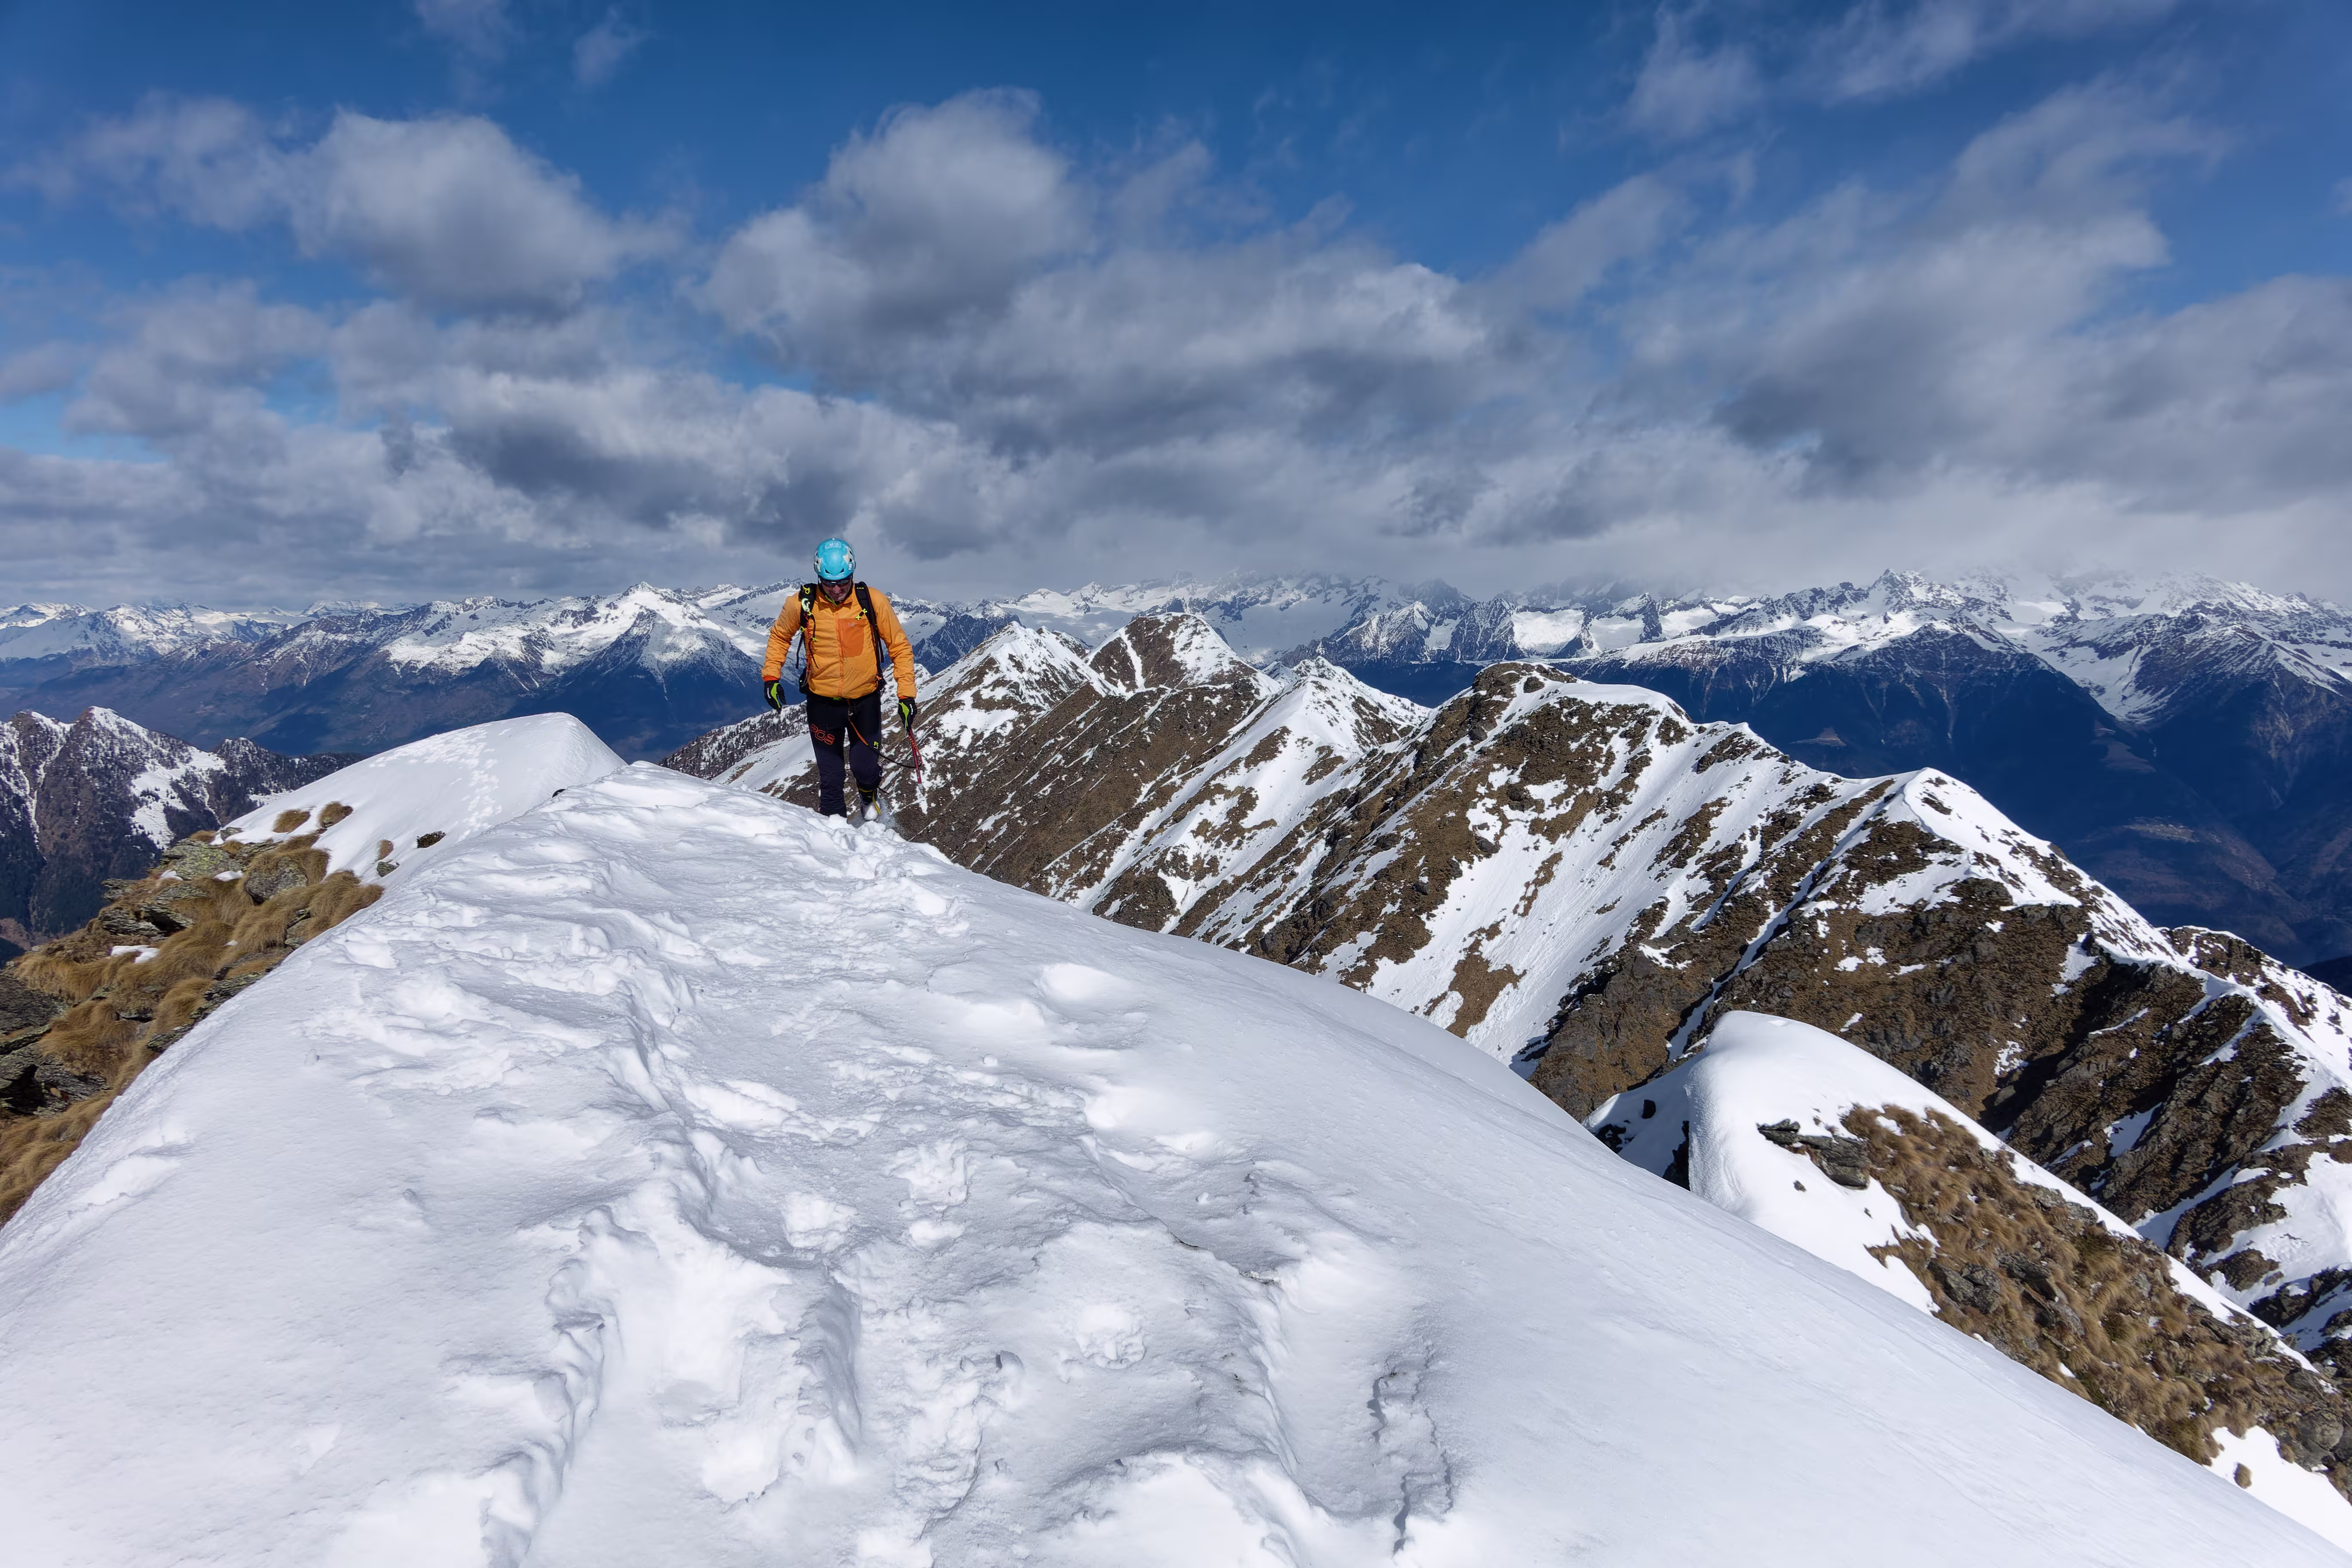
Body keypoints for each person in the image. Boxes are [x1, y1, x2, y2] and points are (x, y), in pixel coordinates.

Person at [761, 537, 919, 819]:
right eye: (828, 583)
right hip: (822, 704)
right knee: (831, 778)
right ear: (818, 576)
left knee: (864, 768)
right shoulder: (801, 604)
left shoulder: (872, 601)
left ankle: (869, 799)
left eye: (842, 583)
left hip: (865, 702)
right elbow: (780, 636)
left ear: (852, 574)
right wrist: (771, 676)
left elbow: (899, 646)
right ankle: (834, 845)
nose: (836, 589)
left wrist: (906, 695)